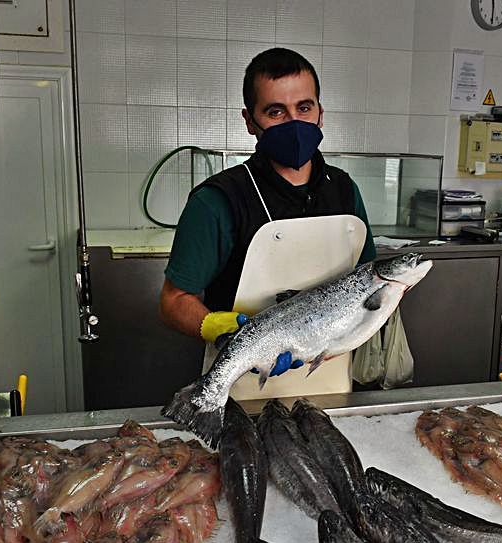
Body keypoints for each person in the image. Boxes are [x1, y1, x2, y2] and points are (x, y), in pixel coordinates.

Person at [159, 47, 376, 376]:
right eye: (275, 112)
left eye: (304, 107)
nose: (294, 122)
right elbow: (174, 301)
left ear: (320, 113)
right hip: (242, 381)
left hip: (329, 376)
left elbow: (369, 278)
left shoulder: (344, 190)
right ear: (250, 121)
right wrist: (218, 327)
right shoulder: (216, 201)